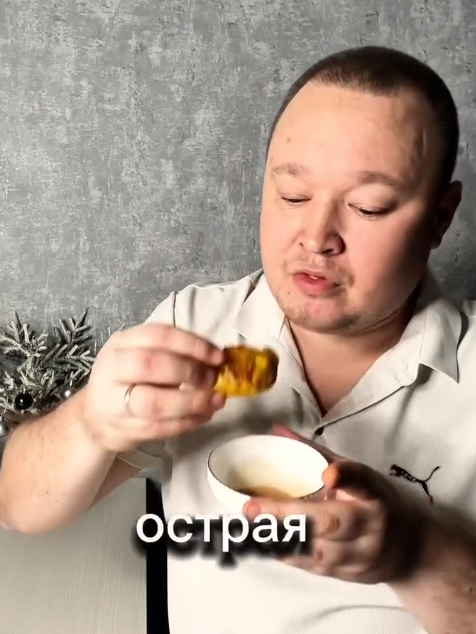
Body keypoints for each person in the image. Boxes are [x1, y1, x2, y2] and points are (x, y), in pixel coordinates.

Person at [0, 44, 475, 634]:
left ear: (440, 217)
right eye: (293, 195)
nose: (316, 236)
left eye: (368, 207)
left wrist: (415, 551)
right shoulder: (194, 323)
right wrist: (90, 421)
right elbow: (18, 507)